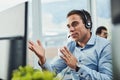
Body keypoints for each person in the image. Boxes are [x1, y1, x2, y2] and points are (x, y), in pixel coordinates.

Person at [28, 9, 112, 80]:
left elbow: (107, 78)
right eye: (69, 26)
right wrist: (42, 59)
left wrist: (77, 67)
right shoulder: (70, 47)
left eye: (75, 24)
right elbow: (51, 73)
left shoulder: (105, 46)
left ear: (88, 24)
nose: (71, 29)